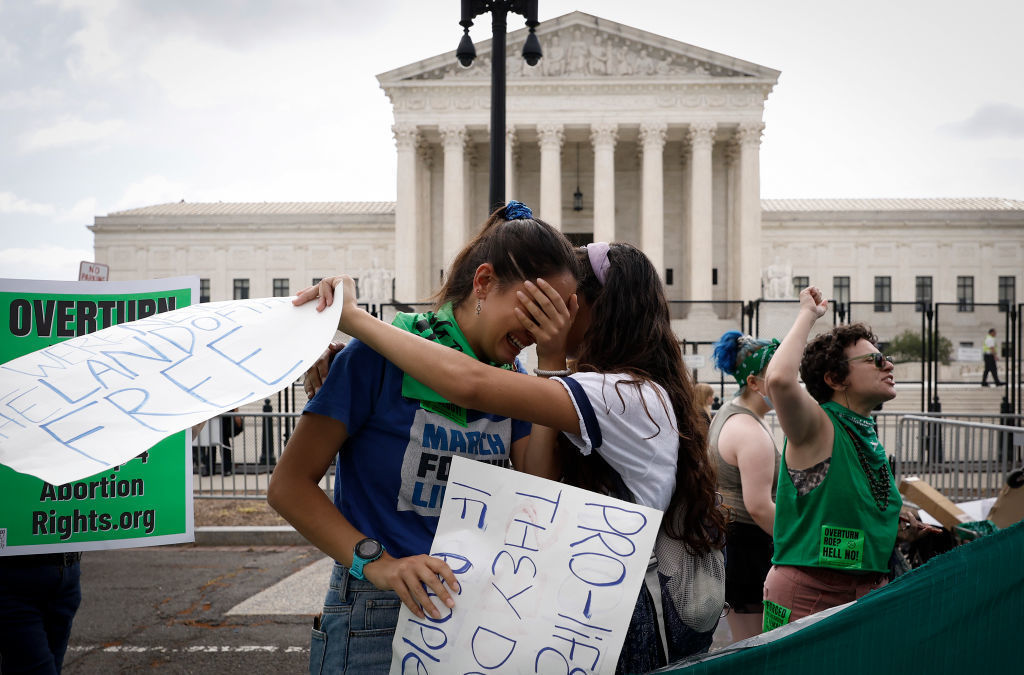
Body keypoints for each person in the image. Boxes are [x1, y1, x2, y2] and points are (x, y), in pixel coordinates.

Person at [302, 240, 728, 672]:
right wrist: (359, 354)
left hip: (598, 620)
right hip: (527, 615)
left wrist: (356, 322)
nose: (547, 318)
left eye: (562, 304)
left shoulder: (620, 393)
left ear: (595, 311)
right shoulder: (586, 388)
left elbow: (470, 385)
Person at [267, 201, 580, 674]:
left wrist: (552, 362)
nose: (537, 332)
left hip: (474, 610)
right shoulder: (373, 357)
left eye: (555, 318)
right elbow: (288, 486)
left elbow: (539, 482)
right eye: (535, 310)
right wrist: (380, 564)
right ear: (482, 283)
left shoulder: (512, 376)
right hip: (377, 612)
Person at [761, 286, 902, 627]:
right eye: (875, 359)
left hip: (866, 594)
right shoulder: (820, 425)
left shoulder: (863, 429)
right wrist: (808, 314)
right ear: (836, 379)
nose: (889, 364)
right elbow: (779, 380)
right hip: (812, 598)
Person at [709, 331, 781, 641]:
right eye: (778, 375)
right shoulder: (749, 430)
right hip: (751, 550)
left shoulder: (730, 413)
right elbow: (760, 507)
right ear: (753, 383)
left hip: (738, 546)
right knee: (757, 650)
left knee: (748, 647)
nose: (788, 380)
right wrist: (805, 543)